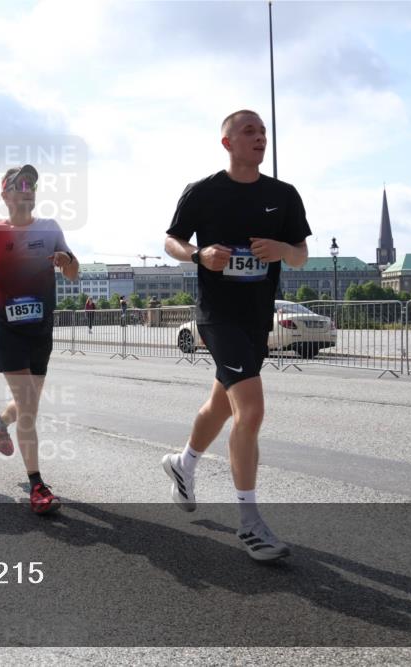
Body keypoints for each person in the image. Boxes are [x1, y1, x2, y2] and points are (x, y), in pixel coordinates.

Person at [162, 109, 311, 562]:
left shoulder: (283, 195)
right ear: (227, 142)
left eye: (263, 131)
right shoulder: (203, 191)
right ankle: (249, 523)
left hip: (256, 318)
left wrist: (283, 249)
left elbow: (301, 255)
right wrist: (198, 255)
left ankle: (183, 463)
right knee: (252, 409)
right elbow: (171, 241)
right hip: (217, 315)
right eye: (249, 131)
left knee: (221, 404)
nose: (260, 137)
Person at [0, 164, 80, 514]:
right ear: (5, 194)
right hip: (8, 328)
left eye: (32, 184)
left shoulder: (50, 228)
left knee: (29, 403)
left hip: (41, 329)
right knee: (29, 406)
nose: (28, 189)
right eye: (20, 185)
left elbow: (73, 272)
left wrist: (65, 260)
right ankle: (37, 486)